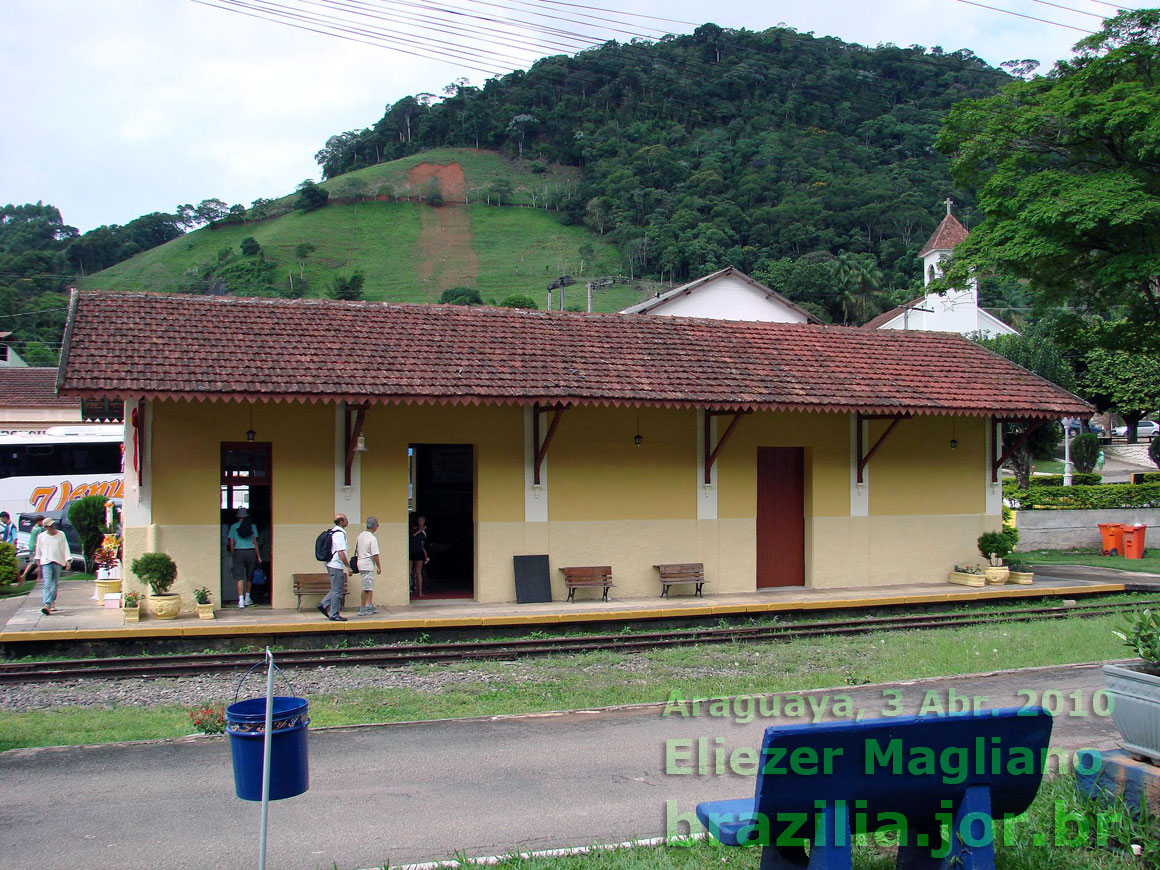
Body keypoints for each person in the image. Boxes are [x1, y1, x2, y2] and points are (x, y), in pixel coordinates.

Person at [318, 513, 350, 621]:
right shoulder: (339, 534)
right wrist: (348, 566)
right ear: (341, 522)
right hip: (336, 565)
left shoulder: (333, 532)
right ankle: (334, 614)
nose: (347, 521)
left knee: (336, 589)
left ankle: (324, 604)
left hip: (331, 564)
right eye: (346, 519)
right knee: (338, 590)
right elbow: (340, 552)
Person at [36, 518, 70, 616]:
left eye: (53, 525)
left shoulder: (61, 534)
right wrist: (38, 564)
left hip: (58, 561)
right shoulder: (41, 536)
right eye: (50, 526)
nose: (52, 527)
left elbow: (65, 547)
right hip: (46, 561)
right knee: (47, 583)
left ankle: (50, 603)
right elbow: (38, 550)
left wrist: (68, 560)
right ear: (46, 527)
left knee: (54, 584)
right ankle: (47, 604)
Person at [227, 508, 260, 608]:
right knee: (249, 576)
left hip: (238, 552)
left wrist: (233, 553)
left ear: (238, 517)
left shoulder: (233, 527)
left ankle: (240, 601)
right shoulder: (252, 526)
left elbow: (231, 543)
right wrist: (258, 556)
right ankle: (247, 598)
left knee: (239, 577)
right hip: (250, 552)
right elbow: (255, 542)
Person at [355, 516, 383, 616]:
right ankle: (364, 607)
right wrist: (379, 567)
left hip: (360, 562)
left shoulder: (360, 535)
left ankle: (369, 605)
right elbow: (375, 554)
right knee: (367, 587)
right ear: (374, 526)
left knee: (368, 586)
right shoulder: (372, 538)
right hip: (367, 564)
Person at [409, 514, 428, 597]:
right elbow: (422, 543)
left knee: (412, 571)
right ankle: (419, 592)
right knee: (417, 572)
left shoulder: (410, 529)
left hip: (412, 551)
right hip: (418, 551)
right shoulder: (421, 531)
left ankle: (414, 589)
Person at [21, 515, 44, 584]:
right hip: (35, 547)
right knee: (39, 563)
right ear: (39, 521)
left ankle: (23, 575)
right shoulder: (38, 529)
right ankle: (39, 577)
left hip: (31, 547)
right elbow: (39, 538)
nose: (43, 523)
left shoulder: (33, 528)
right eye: (42, 521)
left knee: (32, 562)